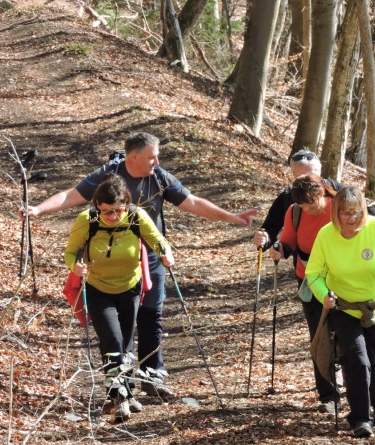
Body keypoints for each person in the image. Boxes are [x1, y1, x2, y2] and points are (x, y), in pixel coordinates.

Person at [23, 131, 257, 398]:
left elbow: (192, 202)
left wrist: (233, 217)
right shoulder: (109, 175)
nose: (156, 162)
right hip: (111, 264)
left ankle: (153, 377)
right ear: (134, 156)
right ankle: (124, 383)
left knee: (151, 316)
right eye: (152, 157)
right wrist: (38, 209)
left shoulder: (159, 177)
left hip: (152, 257)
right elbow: (73, 195)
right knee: (123, 324)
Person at [64, 175, 175, 422]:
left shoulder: (135, 217)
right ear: (97, 207)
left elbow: (158, 240)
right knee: (112, 340)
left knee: (125, 343)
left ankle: (128, 392)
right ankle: (116, 396)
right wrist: (76, 266)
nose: (113, 216)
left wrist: (166, 254)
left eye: (118, 211)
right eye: (106, 212)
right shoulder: (87, 220)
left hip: (130, 288)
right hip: (98, 288)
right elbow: (70, 253)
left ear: (126, 204)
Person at [305, 186, 375, 438]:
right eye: (345, 213)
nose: (352, 219)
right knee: (356, 360)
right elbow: (314, 274)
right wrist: (324, 295)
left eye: (356, 213)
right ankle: (360, 418)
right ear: (335, 213)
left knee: (374, 358)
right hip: (344, 307)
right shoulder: (326, 235)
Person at [269, 173, 342, 414]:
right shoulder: (294, 212)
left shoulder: (339, 207)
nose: (307, 210)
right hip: (309, 281)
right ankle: (328, 396)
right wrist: (280, 249)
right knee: (319, 337)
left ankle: (360, 390)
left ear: (321, 193)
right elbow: (289, 241)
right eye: (302, 205)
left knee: (347, 336)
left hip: (344, 280)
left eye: (310, 204)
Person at [253, 149, 375, 251]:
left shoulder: (336, 189)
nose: (307, 181)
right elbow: (270, 227)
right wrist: (264, 238)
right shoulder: (287, 197)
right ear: (293, 175)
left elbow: (360, 206)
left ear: (320, 172)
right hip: (304, 264)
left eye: (312, 175)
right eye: (301, 177)